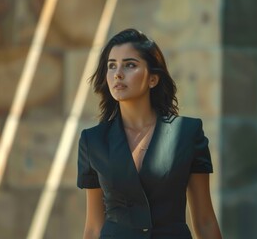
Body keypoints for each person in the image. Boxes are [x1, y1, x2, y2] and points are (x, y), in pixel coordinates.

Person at [77, 28, 222, 239]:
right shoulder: (93, 140)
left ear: (153, 79)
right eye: (111, 66)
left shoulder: (188, 134)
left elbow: (205, 220)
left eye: (130, 65)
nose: (118, 73)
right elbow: (93, 227)